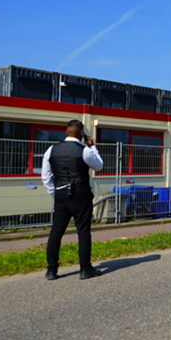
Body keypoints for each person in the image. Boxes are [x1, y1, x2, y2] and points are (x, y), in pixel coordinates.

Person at [41, 120, 104, 280]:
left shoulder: (51, 150)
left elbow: (46, 176)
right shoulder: (85, 151)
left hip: (61, 193)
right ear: (82, 133)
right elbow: (99, 166)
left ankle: (51, 270)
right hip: (81, 194)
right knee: (83, 231)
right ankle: (85, 269)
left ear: (66, 131)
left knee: (56, 231)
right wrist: (92, 146)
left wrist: (54, 191)